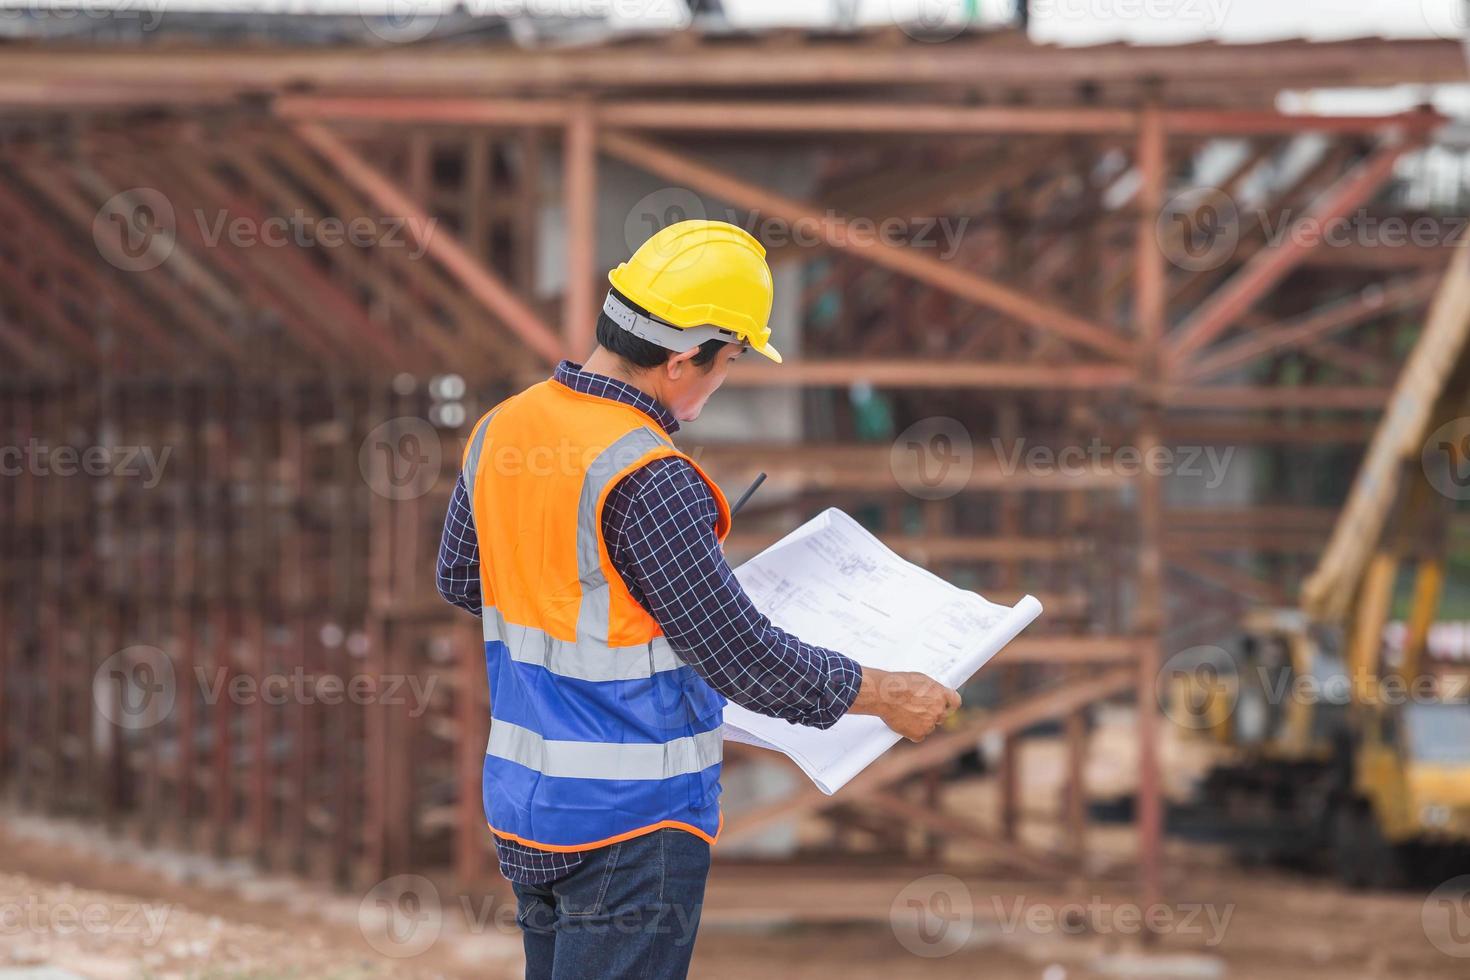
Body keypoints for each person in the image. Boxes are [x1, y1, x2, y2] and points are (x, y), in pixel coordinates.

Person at [437, 219, 960, 980]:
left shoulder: (505, 428)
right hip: (630, 824)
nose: (722, 383)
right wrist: (884, 693)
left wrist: (607, 585)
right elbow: (741, 658)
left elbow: (463, 578)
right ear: (683, 360)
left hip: (528, 808)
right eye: (730, 362)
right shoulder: (649, 475)